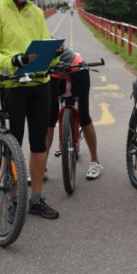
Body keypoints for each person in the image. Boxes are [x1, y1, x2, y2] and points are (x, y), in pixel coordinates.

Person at [0, 0, 61, 220]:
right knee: (12, 144)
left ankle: (36, 199)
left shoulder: (36, 12)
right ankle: (16, 198)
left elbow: (43, 42)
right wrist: (11, 61)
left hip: (40, 84)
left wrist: (54, 54)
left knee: (39, 145)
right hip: (12, 86)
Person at [45, 48, 102, 180]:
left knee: (84, 117)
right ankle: (42, 166)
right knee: (49, 119)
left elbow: (58, 48)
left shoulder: (43, 35)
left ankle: (95, 161)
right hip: (54, 74)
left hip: (77, 68)